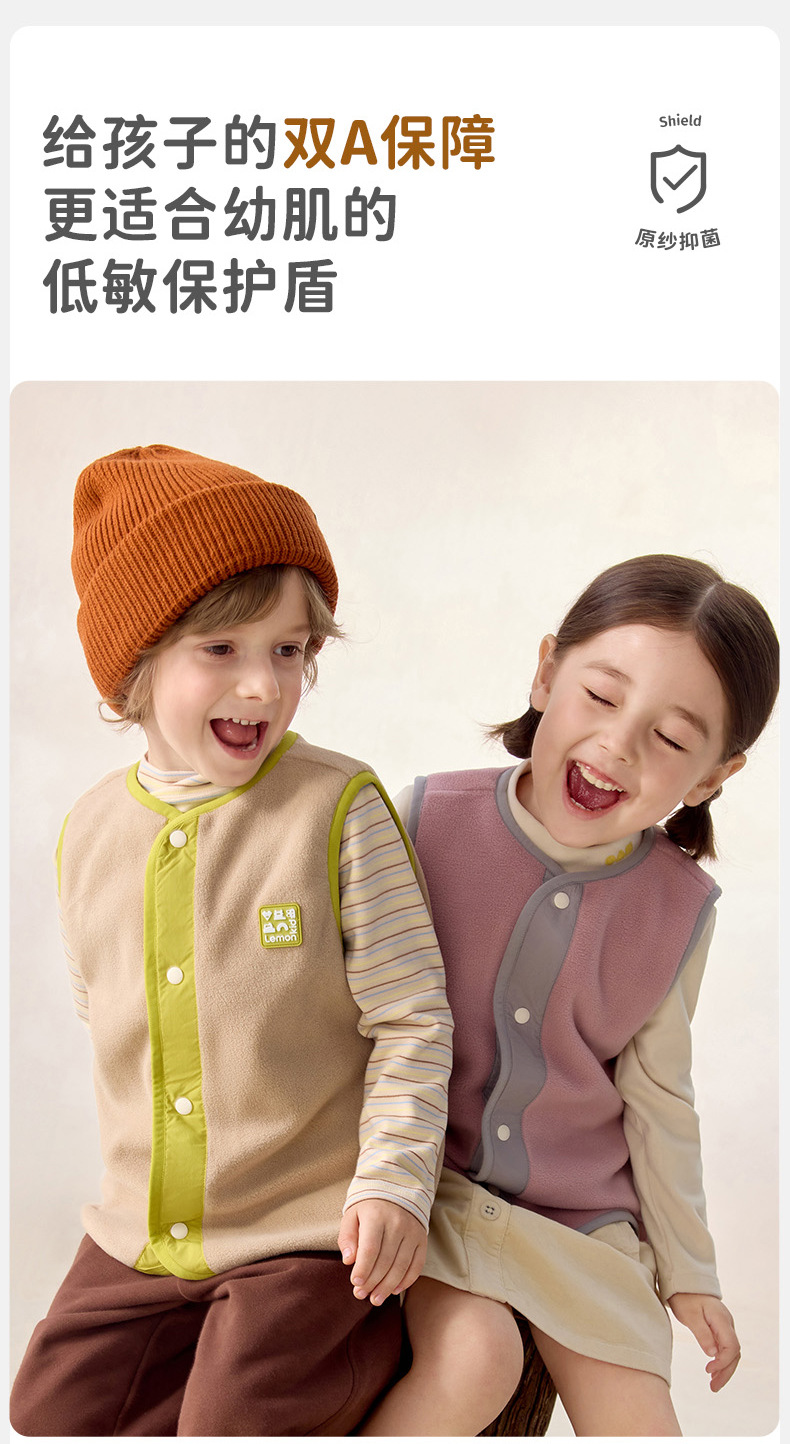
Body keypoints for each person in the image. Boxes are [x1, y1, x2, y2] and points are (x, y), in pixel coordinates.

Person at [11, 444, 452, 1438]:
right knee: (47, 1413)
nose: (262, 686)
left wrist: (391, 1185)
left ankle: (359, 1352)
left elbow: (413, 1019)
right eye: (221, 650)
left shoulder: (337, 808)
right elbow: (103, 1011)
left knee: (231, 1420)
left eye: (290, 651)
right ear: (135, 663)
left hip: (306, 1232)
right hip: (139, 1233)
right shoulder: (88, 831)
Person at [360, 553, 779, 1437]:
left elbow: (660, 1101)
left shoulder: (678, 910)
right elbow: (350, 1010)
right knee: (475, 1361)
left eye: (672, 741)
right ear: (547, 673)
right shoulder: (425, 821)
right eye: (601, 696)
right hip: (435, 1192)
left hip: (584, 1227)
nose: (619, 745)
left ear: (712, 777)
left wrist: (689, 1273)